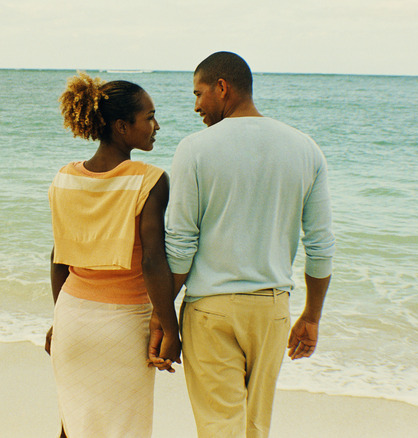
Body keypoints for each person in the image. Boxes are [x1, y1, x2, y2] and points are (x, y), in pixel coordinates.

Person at [162, 52, 335, 438]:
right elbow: (321, 245)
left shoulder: (195, 148)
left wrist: (162, 314)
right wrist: (311, 316)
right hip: (271, 310)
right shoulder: (306, 148)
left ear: (222, 87)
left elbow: (181, 243)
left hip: (210, 309)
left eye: (199, 93)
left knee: (220, 428)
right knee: (254, 428)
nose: (196, 106)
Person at [45, 72, 181, 438]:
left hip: (72, 320)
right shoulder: (149, 180)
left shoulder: (64, 177)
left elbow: (59, 259)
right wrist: (170, 329)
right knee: (122, 430)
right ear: (122, 126)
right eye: (149, 117)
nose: (156, 126)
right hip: (123, 327)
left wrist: (59, 320)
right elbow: (152, 261)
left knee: (73, 426)